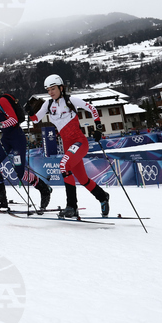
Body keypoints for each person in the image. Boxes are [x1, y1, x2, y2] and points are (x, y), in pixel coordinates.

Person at [30, 74, 110, 218]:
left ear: (61, 88)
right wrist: (29, 112)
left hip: (79, 142)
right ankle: (102, 196)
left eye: (53, 89)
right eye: (48, 90)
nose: (50, 92)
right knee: (82, 179)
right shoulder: (48, 104)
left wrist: (98, 128)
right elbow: (36, 119)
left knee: (64, 165)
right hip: (68, 146)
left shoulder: (70, 100)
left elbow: (92, 108)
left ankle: (71, 206)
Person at [0, 76, 53, 213]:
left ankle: (44, 189)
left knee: (20, 172)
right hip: (6, 138)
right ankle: (1, 199)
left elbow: (13, 120)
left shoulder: (2, 100)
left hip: (17, 138)